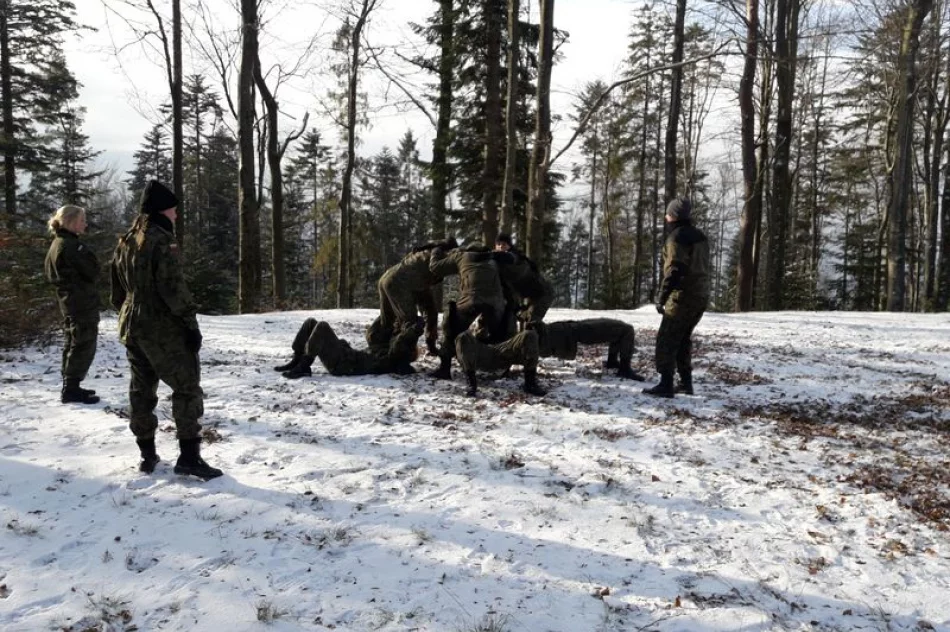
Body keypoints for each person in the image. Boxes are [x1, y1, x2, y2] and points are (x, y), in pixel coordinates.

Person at [110, 180, 222, 480]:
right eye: (174, 210)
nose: (176, 216)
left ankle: (147, 454)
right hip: (161, 327)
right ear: (162, 210)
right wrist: (190, 324)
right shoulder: (161, 241)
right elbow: (173, 289)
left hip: (131, 325)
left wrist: (128, 311)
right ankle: (189, 457)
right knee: (186, 388)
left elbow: (116, 290)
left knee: (141, 390)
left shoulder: (127, 239)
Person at [644, 197, 710, 398]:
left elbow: (675, 269)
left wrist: (662, 297)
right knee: (683, 339)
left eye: (667, 213)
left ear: (672, 216)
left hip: (682, 296)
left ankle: (666, 384)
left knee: (667, 339)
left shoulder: (676, 238)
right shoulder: (700, 236)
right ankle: (686, 383)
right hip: (701, 295)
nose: (665, 217)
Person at [44, 205, 101, 404]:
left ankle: (71, 385)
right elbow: (92, 271)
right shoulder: (70, 246)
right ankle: (71, 388)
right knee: (82, 343)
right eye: (82, 220)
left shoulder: (57, 244)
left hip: (69, 302)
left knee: (72, 342)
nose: (85, 224)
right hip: (80, 302)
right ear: (70, 221)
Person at [428, 243, 508, 379]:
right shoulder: (494, 258)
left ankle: (445, 369)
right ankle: (501, 368)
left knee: (451, 330)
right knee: (500, 335)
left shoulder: (461, 256)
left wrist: (436, 250)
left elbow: (435, 268)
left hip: (470, 301)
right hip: (495, 303)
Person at [375, 238, 456, 357]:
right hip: (397, 283)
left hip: (399, 281)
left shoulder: (428, 251)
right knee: (408, 321)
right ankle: (398, 354)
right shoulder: (436, 254)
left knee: (430, 311)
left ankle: (429, 345)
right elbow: (435, 268)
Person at [278, 317, 422, 378]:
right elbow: (375, 331)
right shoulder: (383, 347)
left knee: (322, 326)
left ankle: (304, 366)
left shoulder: (395, 360)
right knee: (311, 323)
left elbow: (400, 343)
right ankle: (297, 358)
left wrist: (414, 330)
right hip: (344, 356)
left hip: (343, 365)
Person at [529, 318, 645, 380]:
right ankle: (623, 368)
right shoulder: (542, 338)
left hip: (570, 328)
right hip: (573, 330)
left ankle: (613, 362)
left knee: (622, 328)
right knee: (626, 329)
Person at [454, 326, 546, 397]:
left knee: (529, 334)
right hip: (482, 350)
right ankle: (471, 384)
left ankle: (530, 384)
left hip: (501, 348)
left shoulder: (506, 307)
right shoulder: (476, 309)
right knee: (463, 337)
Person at [494, 233, 553, 330]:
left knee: (531, 324)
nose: (501, 247)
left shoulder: (515, 257)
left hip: (543, 293)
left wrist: (489, 255)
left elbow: (508, 257)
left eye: (504, 244)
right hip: (528, 295)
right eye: (498, 244)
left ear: (509, 246)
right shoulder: (499, 264)